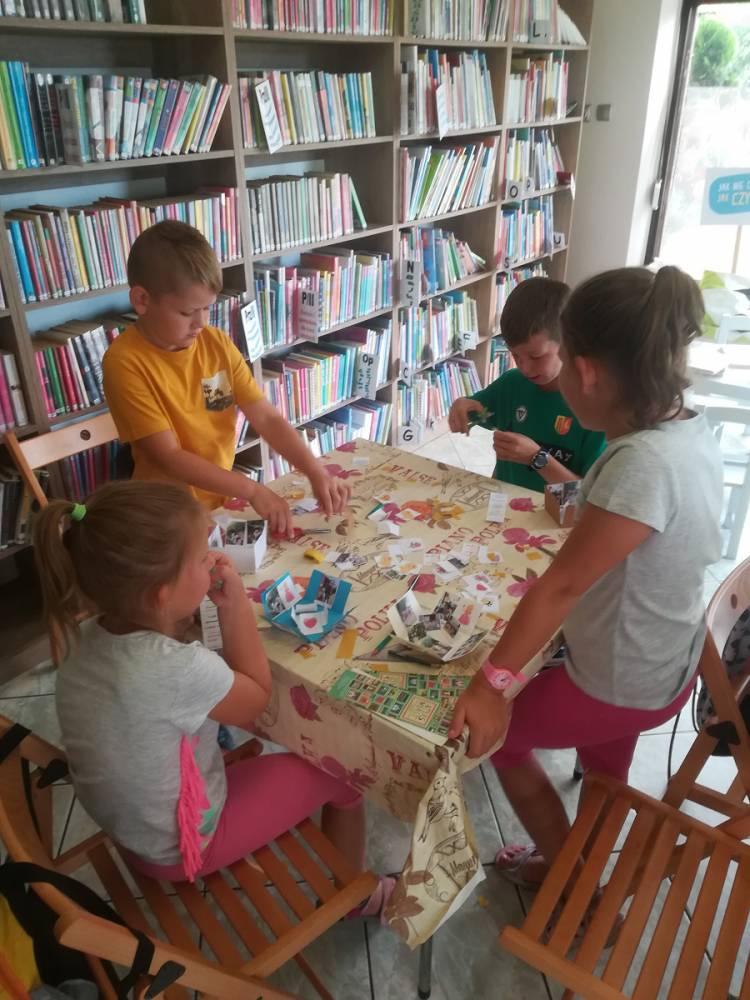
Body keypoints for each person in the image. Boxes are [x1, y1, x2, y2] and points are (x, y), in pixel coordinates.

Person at [448, 265, 723, 889]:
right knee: (603, 767)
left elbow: (562, 586)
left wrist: (492, 687)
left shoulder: (641, 464)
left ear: (587, 373)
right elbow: (607, 534)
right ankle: (587, 861)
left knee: (501, 739)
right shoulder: (684, 428)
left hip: (625, 679)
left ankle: (569, 879)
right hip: (664, 661)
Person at [36, 480, 390, 914]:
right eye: (203, 557)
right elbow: (257, 698)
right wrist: (235, 603)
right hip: (181, 845)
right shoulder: (175, 667)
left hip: (130, 825)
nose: (213, 560)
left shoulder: (82, 636)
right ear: (161, 595)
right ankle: (353, 897)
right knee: (343, 771)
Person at [102, 220, 349, 536]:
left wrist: (315, 470)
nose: (201, 323)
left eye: (207, 309)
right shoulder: (124, 362)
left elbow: (265, 416)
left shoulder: (215, 343)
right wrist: (253, 490)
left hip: (220, 502)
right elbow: (170, 457)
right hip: (167, 515)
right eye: (187, 312)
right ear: (142, 300)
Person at [448, 277, 606, 490]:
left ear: (568, 343)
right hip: (507, 503)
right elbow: (476, 412)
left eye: (536, 356)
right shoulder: (512, 384)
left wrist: (536, 458)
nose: (525, 368)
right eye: (515, 355)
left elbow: (586, 498)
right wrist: (462, 408)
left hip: (556, 511)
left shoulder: (594, 410)